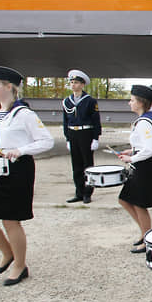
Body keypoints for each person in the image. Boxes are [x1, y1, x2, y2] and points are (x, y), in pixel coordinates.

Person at [0, 66, 53, 286]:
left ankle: (20, 265)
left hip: (18, 170)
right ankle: (8, 254)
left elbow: (46, 141)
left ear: (9, 87)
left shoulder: (24, 114)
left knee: (10, 220)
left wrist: (21, 150)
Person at [117, 85, 152, 253]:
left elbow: (151, 148)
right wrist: (132, 150)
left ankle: (147, 238)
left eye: (132, 100)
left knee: (138, 204)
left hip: (144, 167)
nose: (129, 103)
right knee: (125, 200)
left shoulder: (144, 122)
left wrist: (132, 158)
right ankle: (145, 234)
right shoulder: (148, 118)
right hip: (143, 164)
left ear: (140, 102)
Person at [62, 69, 101, 204]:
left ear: (83, 85)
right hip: (73, 133)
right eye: (72, 82)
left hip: (86, 133)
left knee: (87, 165)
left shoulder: (90, 101)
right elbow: (65, 121)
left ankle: (87, 192)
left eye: (76, 82)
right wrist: (67, 138)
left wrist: (96, 138)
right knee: (76, 165)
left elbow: (96, 120)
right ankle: (78, 192)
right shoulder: (67, 101)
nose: (73, 85)